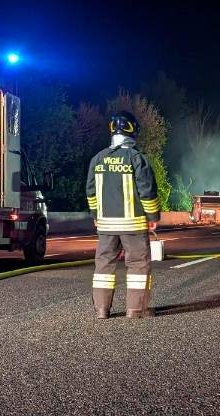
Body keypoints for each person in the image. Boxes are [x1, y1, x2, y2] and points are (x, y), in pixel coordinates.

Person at [86, 111, 160, 319]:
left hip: (106, 224)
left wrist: (95, 215)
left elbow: (90, 192)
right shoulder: (136, 158)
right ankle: (136, 310)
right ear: (132, 130)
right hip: (133, 224)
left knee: (103, 266)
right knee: (137, 264)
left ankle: (101, 310)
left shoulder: (98, 159)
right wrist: (153, 216)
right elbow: (147, 191)